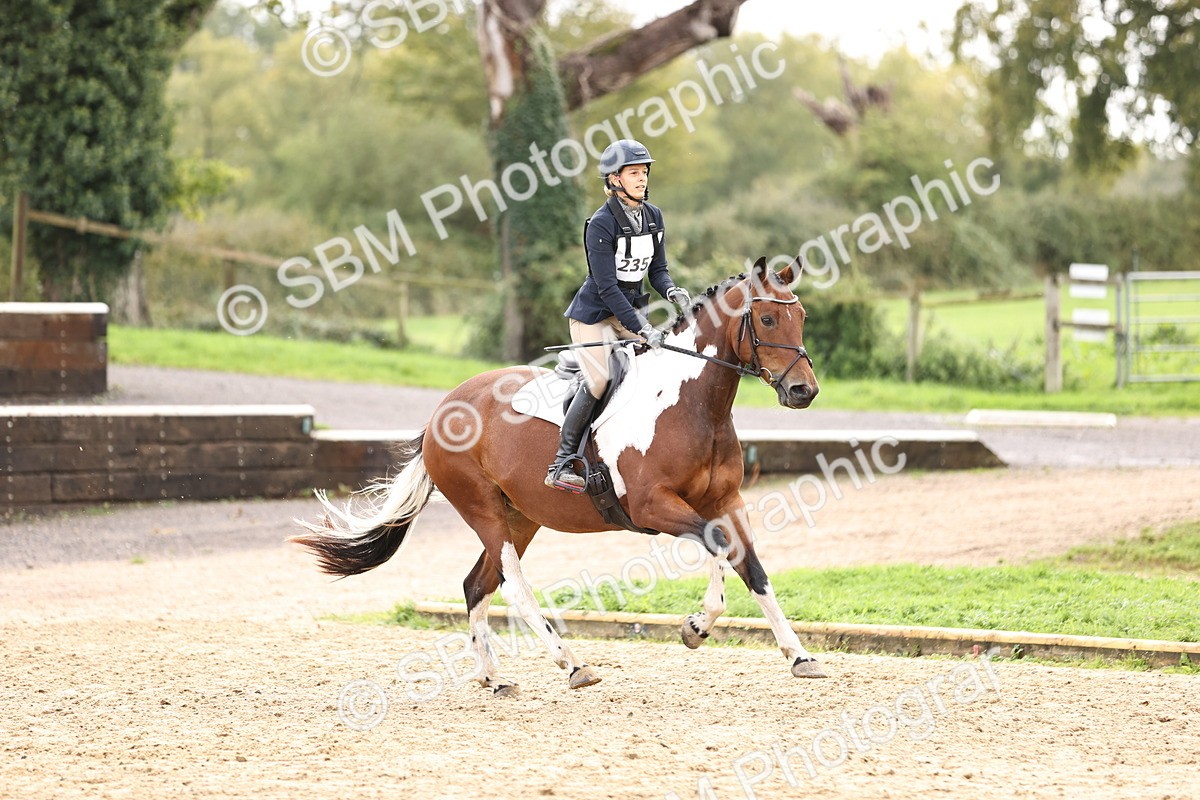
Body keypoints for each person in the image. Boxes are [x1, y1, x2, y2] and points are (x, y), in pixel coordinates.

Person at [545, 139, 691, 493]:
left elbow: (658, 271)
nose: (641, 179)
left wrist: (671, 290)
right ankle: (562, 461)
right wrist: (642, 327)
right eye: (634, 173)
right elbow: (607, 288)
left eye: (644, 172)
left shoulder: (653, 216)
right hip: (594, 314)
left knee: (661, 364)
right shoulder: (600, 223)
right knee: (599, 381)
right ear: (614, 179)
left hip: (629, 313)